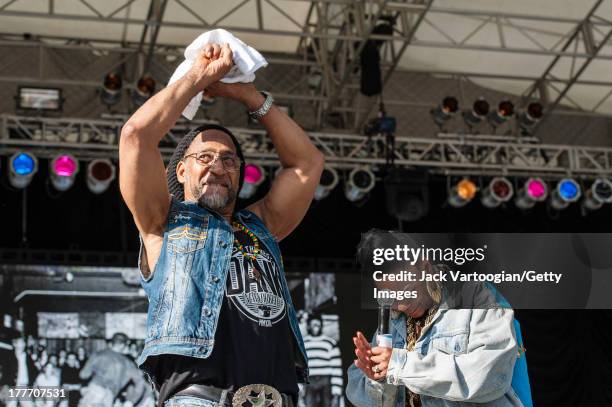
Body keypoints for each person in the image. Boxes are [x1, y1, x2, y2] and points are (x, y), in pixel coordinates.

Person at [119, 42, 324, 407]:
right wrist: (197, 78)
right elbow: (136, 137)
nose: (217, 166)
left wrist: (245, 94)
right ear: (181, 170)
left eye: (229, 161)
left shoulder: (261, 225)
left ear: (241, 177)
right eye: (204, 157)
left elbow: (306, 164)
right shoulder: (161, 222)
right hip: (200, 399)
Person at [346, 230, 523, 407]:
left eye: (406, 292)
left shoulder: (475, 298)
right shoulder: (393, 320)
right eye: (389, 298)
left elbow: (491, 377)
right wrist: (378, 379)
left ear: (425, 268)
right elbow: (377, 400)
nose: (400, 306)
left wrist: (400, 365)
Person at [78, 333, 146, 407]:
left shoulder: (98, 354)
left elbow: (83, 375)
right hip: (110, 396)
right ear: (123, 345)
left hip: (94, 391)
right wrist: (131, 401)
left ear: (112, 342)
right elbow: (140, 382)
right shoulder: (128, 363)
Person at [302, 314, 343, 407]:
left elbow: (336, 368)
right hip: (309, 381)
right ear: (308, 326)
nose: (316, 328)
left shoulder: (330, 343)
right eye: (313, 325)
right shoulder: (303, 343)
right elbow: (300, 366)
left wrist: (337, 392)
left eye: (318, 325)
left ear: (321, 326)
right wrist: (300, 388)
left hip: (326, 381)